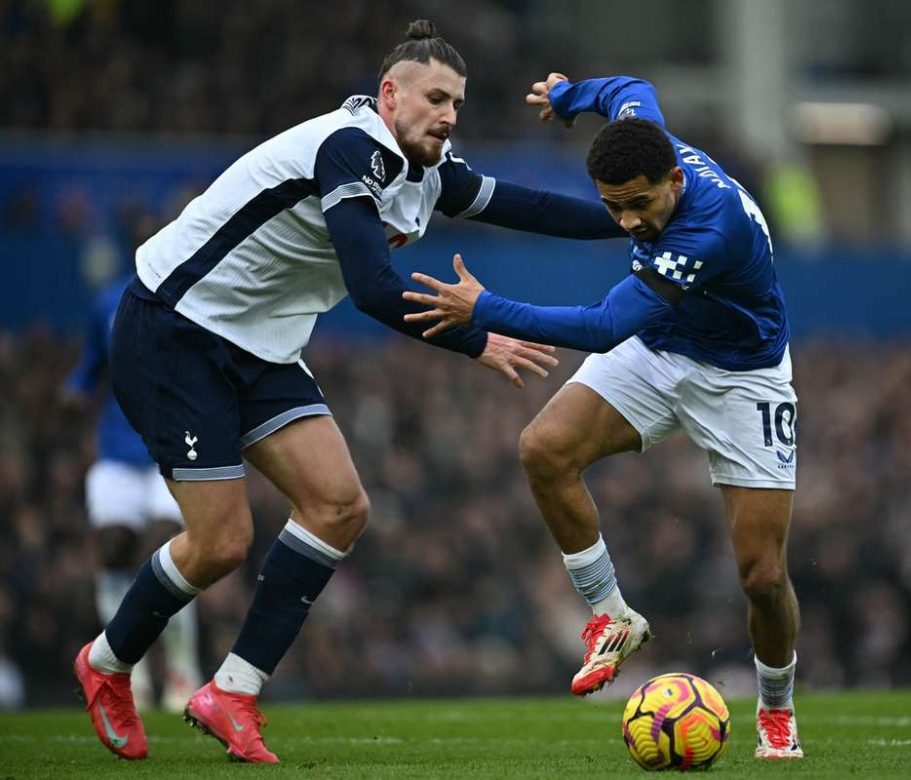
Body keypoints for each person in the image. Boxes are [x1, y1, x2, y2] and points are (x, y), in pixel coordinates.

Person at [72, 21, 625, 764]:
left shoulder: (430, 168)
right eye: (435, 99)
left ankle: (232, 692)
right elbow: (371, 288)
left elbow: (530, 207)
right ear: (390, 95)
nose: (449, 116)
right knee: (221, 542)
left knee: (339, 507)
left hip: (260, 343)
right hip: (176, 327)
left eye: (457, 103)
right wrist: (477, 337)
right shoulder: (349, 146)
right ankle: (106, 662)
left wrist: (632, 217)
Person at [404, 73, 804, 760]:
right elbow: (629, 86)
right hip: (661, 347)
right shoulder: (640, 134)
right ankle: (612, 615)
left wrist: (486, 309)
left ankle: (776, 707)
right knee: (543, 449)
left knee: (763, 577)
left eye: (640, 205)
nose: (627, 223)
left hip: (743, 377)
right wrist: (568, 98)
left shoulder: (709, 229)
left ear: (674, 180)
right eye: (613, 207)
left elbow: (603, 326)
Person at [63, 274, 202, 713]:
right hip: (116, 453)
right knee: (112, 548)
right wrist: (72, 395)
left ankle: (181, 668)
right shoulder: (110, 303)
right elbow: (89, 370)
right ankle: (129, 671)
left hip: (171, 449)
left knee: (167, 547)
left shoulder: (193, 295)